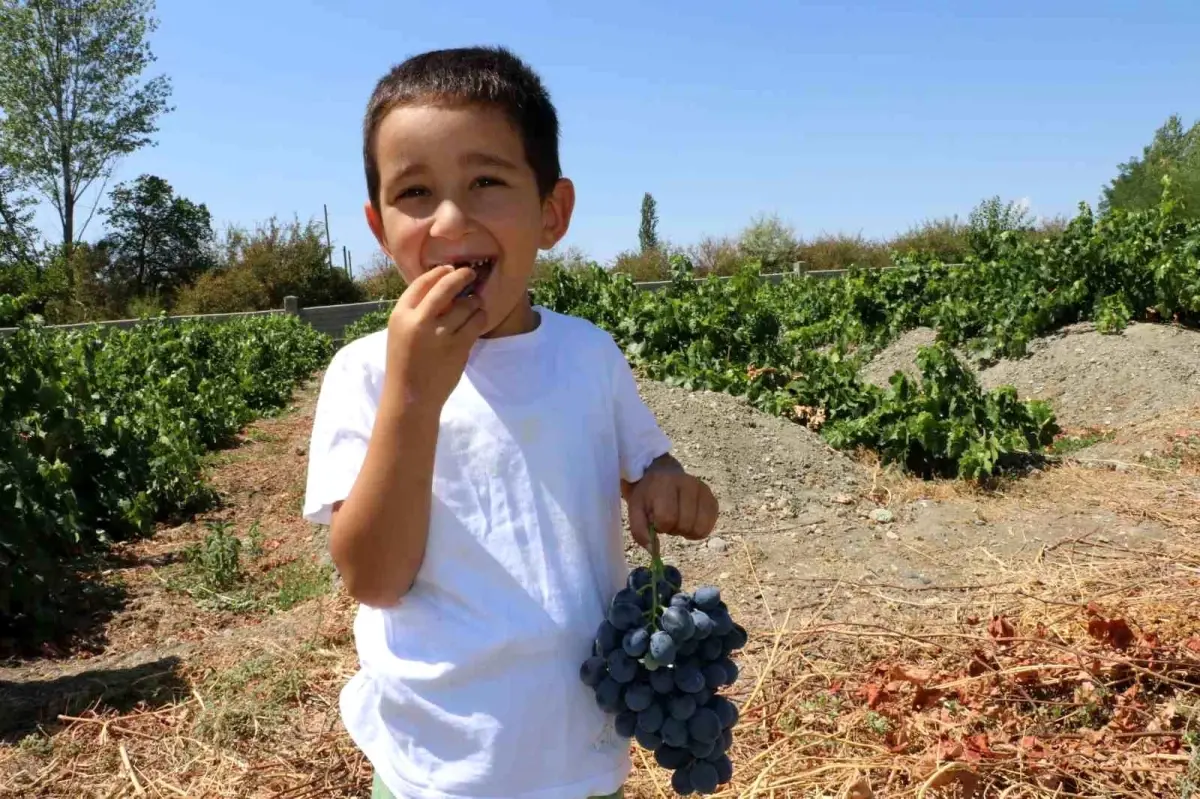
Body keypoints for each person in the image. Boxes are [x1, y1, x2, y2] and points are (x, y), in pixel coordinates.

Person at [302, 45, 719, 799]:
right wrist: (414, 395)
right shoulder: (365, 375)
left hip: (578, 755)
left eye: (486, 182)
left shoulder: (588, 356)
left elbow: (649, 468)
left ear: (551, 213)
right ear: (378, 224)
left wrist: (667, 488)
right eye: (416, 192)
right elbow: (373, 575)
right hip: (435, 766)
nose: (450, 219)